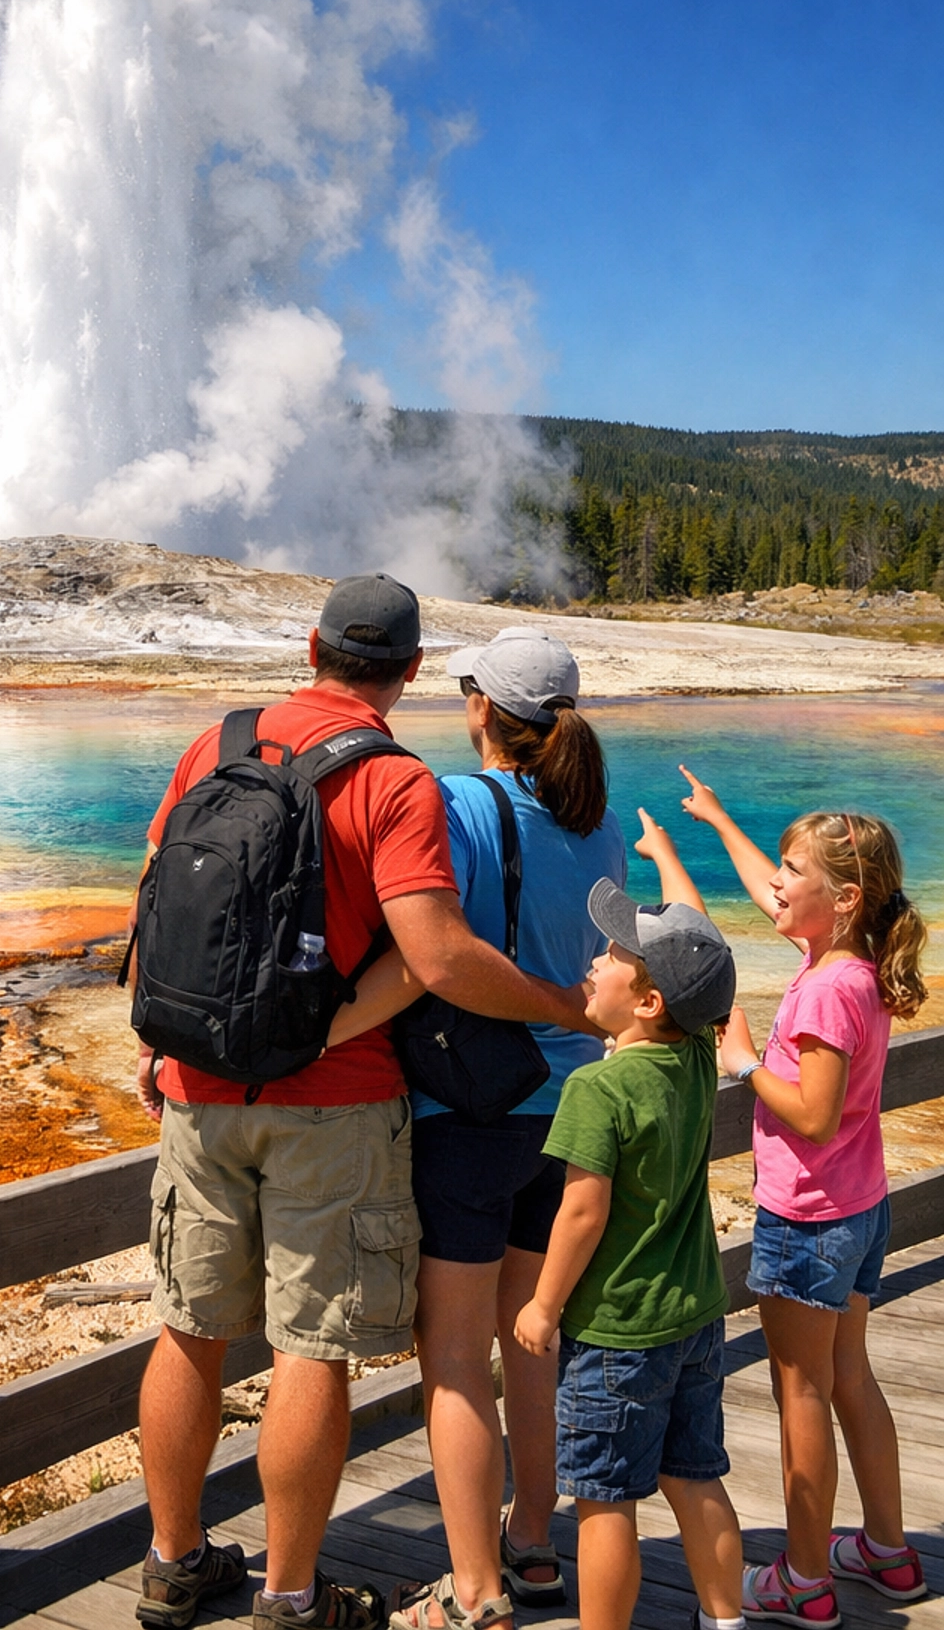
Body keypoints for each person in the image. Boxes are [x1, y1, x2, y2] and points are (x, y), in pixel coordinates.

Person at [132, 578, 592, 1630]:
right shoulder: (396, 780)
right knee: (311, 1347)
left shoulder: (218, 742)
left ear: (312, 647)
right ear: (413, 672)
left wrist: (165, 1041)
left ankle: (171, 1564)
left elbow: (158, 892)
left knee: (188, 1328)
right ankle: (291, 1598)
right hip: (334, 1105)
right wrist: (555, 1006)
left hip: (199, 1089)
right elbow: (432, 957)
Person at [337, 629, 623, 1630]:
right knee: (533, 1335)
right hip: (572, 1110)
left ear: (479, 711)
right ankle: (534, 1543)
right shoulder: (597, 823)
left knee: (455, 1358)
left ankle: (474, 1592)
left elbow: (431, 947)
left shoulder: (459, 803)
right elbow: (610, 965)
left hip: (469, 1114)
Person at [670, 769, 930, 1623]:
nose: (773, 886)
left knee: (802, 1392)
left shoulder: (822, 988)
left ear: (845, 897)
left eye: (791, 873)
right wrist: (714, 822)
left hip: (810, 1216)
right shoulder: (851, 964)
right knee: (849, 1374)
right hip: (859, 1210)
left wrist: (744, 1058)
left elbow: (813, 1115)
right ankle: (887, 1553)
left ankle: (806, 1580)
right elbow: (771, 890)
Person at [512, 867, 744, 1630]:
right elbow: (707, 979)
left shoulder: (596, 1091)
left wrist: (544, 1304)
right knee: (696, 1478)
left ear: (647, 1003)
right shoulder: (697, 1060)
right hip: (696, 1321)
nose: (591, 962)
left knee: (605, 1502)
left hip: (617, 1330)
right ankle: (726, 1621)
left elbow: (581, 1212)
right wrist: (670, 860)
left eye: (610, 956)